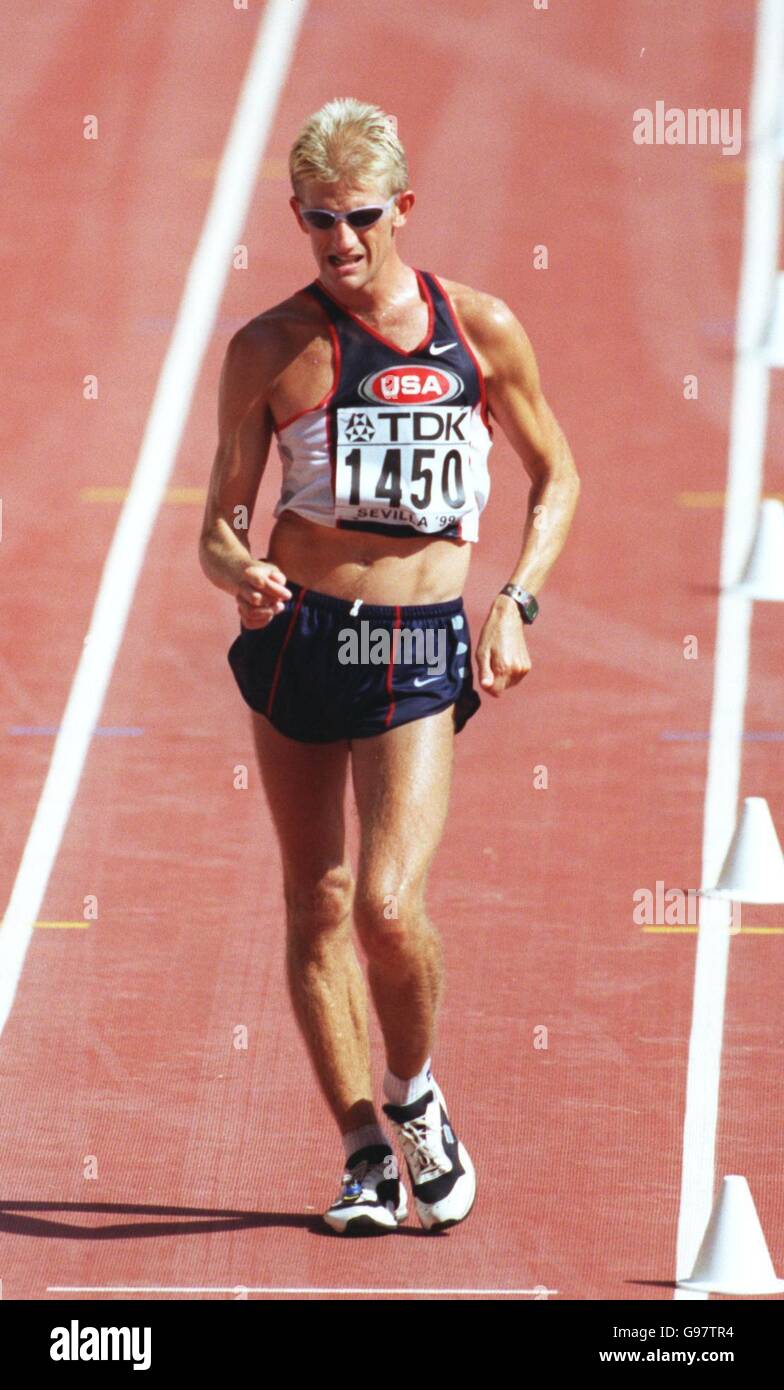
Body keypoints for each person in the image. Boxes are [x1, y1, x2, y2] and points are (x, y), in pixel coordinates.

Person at [199, 98, 579, 1235]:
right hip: (299, 638)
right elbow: (217, 519)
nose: (340, 241)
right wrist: (236, 570)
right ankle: (362, 1148)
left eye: (360, 217)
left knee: (385, 901)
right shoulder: (269, 346)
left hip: (414, 647)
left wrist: (513, 602)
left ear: (404, 207)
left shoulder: (481, 330)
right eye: (317, 220)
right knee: (313, 897)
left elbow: (557, 475)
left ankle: (414, 1097)